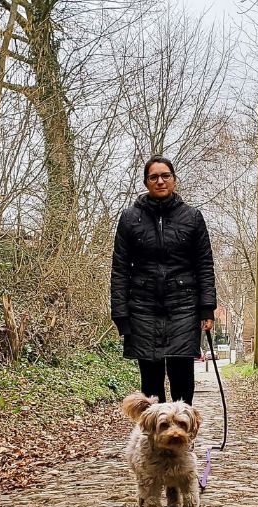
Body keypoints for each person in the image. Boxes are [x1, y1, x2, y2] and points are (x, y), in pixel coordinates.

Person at [110, 156, 216, 406]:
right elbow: (119, 269)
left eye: (165, 175)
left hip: (184, 307)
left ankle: (181, 438)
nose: (160, 181)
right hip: (143, 308)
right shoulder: (129, 218)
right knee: (151, 383)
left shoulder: (192, 217)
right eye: (154, 177)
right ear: (146, 182)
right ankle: (154, 441)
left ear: (174, 179)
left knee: (182, 379)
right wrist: (121, 314)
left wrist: (206, 308)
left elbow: (204, 265)